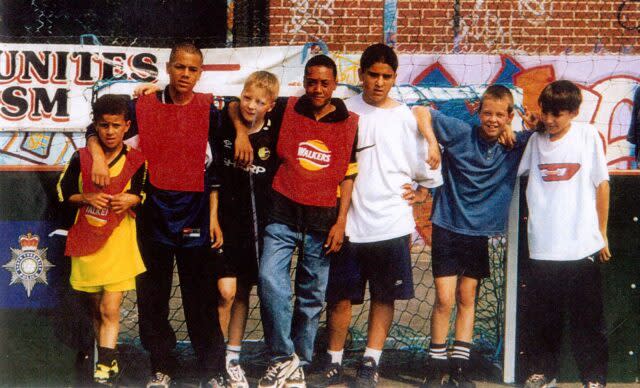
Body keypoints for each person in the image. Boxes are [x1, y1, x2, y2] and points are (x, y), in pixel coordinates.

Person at [86, 43, 226, 388]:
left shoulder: (211, 108)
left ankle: (212, 369)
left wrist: (214, 216)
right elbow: (97, 128)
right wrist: (99, 158)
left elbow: (221, 161)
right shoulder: (143, 104)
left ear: (200, 72)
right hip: (152, 211)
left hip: (194, 210)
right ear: (168, 67)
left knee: (200, 296)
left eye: (193, 69)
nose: (185, 75)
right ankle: (161, 364)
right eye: (180, 67)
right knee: (153, 296)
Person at [315, 43, 443, 388]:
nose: (379, 82)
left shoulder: (406, 116)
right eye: (373, 74)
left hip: (391, 224)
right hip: (349, 224)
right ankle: (334, 362)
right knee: (340, 297)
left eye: (387, 76)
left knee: (384, 296)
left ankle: (371, 362)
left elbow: (428, 173)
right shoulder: (343, 111)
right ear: (361, 75)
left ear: (394, 78)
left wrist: (421, 192)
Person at [231, 54, 359, 388]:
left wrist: (341, 221)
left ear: (334, 84)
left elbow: (348, 177)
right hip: (282, 214)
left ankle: (298, 364)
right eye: (311, 81)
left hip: (322, 221)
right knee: (270, 281)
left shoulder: (349, 122)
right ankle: (282, 358)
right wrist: (241, 135)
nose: (317, 88)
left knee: (311, 297)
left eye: (325, 83)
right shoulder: (287, 108)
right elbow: (235, 106)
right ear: (304, 81)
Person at [409, 85, 534, 387]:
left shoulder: (516, 144)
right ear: (479, 112)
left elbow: (548, 129)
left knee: (467, 299)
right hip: (448, 226)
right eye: (487, 113)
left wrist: (531, 124)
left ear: (509, 117)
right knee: (443, 299)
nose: (493, 120)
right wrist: (433, 143)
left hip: (478, 234)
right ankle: (434, 364)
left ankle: (459, 368)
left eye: (500, 115)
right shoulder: (462, 133)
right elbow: (419, 110)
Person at [518, 80, 610, 388]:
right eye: (546, 113)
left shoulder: (587, 137)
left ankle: (594, 378)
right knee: (544, 318)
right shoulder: (535, 142)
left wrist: (602, 233)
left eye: (557, 114)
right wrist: (527, 128)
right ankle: (544, 372)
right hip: (543, 247)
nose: (549, 120)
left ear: (573, 112)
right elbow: (514, 163)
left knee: (588, 320)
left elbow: (602, 185)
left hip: (582, 245)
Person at [57, 94, 147, 386]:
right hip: (88, 243)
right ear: (95, 125)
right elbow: (63, 192)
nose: (110, 131)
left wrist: (133, 197)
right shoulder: (80, 158)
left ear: (126, 126)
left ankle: (105, 369)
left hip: (119, 244)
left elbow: (145, 193)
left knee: (110, 308)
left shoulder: (136, 161)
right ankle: (105, 356)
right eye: (104, 125)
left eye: (116, 125)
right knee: (96, 309)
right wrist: (86, 197)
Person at [213, 71, 283, 388]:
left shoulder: (275, 132)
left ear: (270, 105)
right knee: (224, 292)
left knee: (243, 293)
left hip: (258, 230)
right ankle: (216, 361)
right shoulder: (226, 123)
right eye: (247, 98)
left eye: (259, 101)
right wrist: (240, 131)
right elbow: (228, 105)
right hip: (225, 225)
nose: (250, 105)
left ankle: (232, 359)